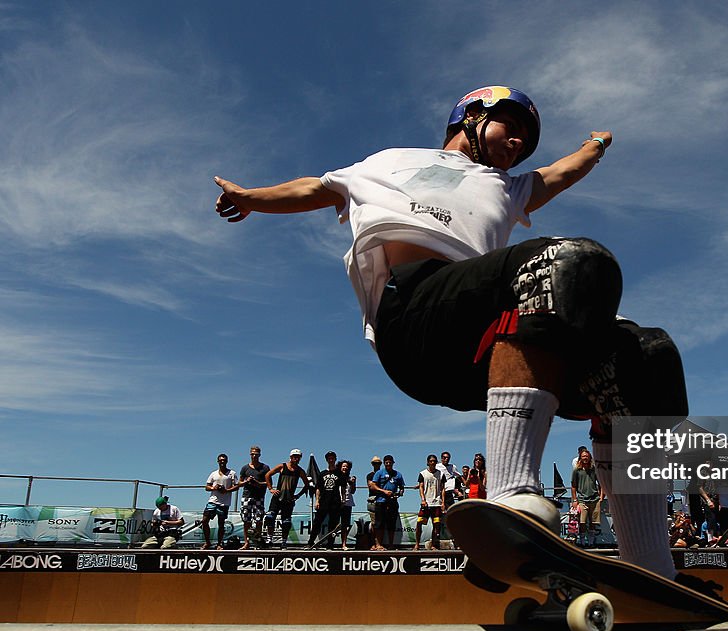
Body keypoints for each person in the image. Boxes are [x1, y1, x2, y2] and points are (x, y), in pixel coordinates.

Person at [215, 85, 688, 580]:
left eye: (528, 141)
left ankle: (650, 568)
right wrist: (251, 198)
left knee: (646, 357)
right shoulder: (389, 160)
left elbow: (560, 172)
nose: (519, 145)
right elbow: (317, 187)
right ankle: (511, 501)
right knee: (566, 262)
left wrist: (597, 145)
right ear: (471, 118)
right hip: (417, 320)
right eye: (513, 129)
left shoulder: (510, 186)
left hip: (492, 350)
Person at [264, 449, 312, 549]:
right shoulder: (282, 466)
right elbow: (267, 475)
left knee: (286, 522)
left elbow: (307, 485)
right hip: (277, 497)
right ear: (290, 457)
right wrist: (271, 488)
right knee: (270, 517)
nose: (296, 458)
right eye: (294, 456)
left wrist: (298, 495)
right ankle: (269, 539)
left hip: (289, 500)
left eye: (298, 457)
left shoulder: (299, 470)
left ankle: (284, 542)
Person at [202, 453, 240, 550]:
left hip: (224, 503)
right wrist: (213, 488)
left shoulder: (232, 473)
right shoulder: (213, 474)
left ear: (227, 461)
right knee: (204, 520)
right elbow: (207, 487)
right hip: (213, 501)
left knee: (221, 523)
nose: (222, 462)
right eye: (220, 460)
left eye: (224, 460)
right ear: (218, 461)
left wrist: (226, 490)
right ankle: (207, 542)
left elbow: (237, 486)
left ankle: (219, 544)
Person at [308, 451, 344, 548]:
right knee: (317, 522)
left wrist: (343, 500)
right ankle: (310, 542)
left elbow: (343, 487)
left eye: (332, 458)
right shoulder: (322, 473)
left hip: (335, 501)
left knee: (333, 525)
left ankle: (330, 544)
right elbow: (318, 488)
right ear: (327, 460)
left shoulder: (339, 473)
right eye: (329, 458)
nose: (331, 460)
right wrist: (317, 501)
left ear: (335, 459)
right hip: (323, 501)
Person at [369, 454, 405, 550]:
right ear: (384, 463)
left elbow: (402, 487)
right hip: (381, 501)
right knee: (379, 524)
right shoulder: (379, 473)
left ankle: (391, 544)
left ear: (393, 463)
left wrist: (400, 493)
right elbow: (373, 486)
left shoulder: (398, 474)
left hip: (393, 502)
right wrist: (384, 491)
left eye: (390, 462)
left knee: (391, 524)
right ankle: (379, 544)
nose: (388, 464)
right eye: (386, 462)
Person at [238, 444, 270, 549]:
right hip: (246, 496)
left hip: (259, 497)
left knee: (259, 520)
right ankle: (246, 543)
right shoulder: (245, 468)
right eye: (252, 454)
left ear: (259, 454)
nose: (254, 456)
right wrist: (246, 481)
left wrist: (257, 482)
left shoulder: (265, 468)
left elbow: (268, 483)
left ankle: (258, 542)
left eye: (256, 454)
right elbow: (239, 482)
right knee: (246, 521)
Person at [571, 447, 603, 547]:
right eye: (583, 456)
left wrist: (601, 496)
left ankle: (591, 541)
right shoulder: (577, 470)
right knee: (582, 522)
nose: (585, 458)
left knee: (593, 521)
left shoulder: (594, 469)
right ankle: (582, 541)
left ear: (590, 457)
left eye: (587, 456)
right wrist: (575, 500)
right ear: (580, 457)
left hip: (595, 499)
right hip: (582, 499)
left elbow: (601, 483)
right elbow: (573, 486)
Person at [414, 454, 446, 550]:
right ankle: (417, 544)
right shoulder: (423, 473)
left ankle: (433, 544)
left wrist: (443, 502)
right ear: (428, 462)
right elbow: (421, 487)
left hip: (436, 503)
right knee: (419, 522)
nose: (433, 463)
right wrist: (423, 499)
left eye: (434, 461)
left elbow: (443, 488)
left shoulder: (441, 474)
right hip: (426, 503)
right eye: (431, 461)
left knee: (436, 524)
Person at [335, 459, 358, 548]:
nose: (345, 468)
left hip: (348, 503)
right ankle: (331, 543)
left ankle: (343, 544)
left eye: (347, 467)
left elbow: (353, 491)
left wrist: (353, 483)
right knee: (335, 524)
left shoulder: (350, 478)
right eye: (343, 466)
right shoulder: (337, 477)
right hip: (337, 503)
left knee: (345, 525)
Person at [366, 455, 383, 528]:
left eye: (378, 463)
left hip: (382, 499)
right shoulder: (370, 475)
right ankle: (373, 539)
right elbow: (371, 487)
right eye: (375, 463)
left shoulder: (384, 474)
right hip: (373, 499)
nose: (377, 465)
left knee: (382, 522)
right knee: (374, 523)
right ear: (372, 464)